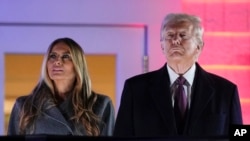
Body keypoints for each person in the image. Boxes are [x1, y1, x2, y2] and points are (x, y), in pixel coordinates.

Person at [114, 13, 243, 137]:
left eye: (183, 35)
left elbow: (240, 134)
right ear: (162, 46)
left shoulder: (226, 91)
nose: (175, 41)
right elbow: (121, 137)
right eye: (170, 35)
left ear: (199, 46)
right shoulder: (135, 89)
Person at [7, 37, 115, 136]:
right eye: (52, 56)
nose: (57, 61)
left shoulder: (101, 105)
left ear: (78, 65)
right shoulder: (24, 106)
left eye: (66, 56)